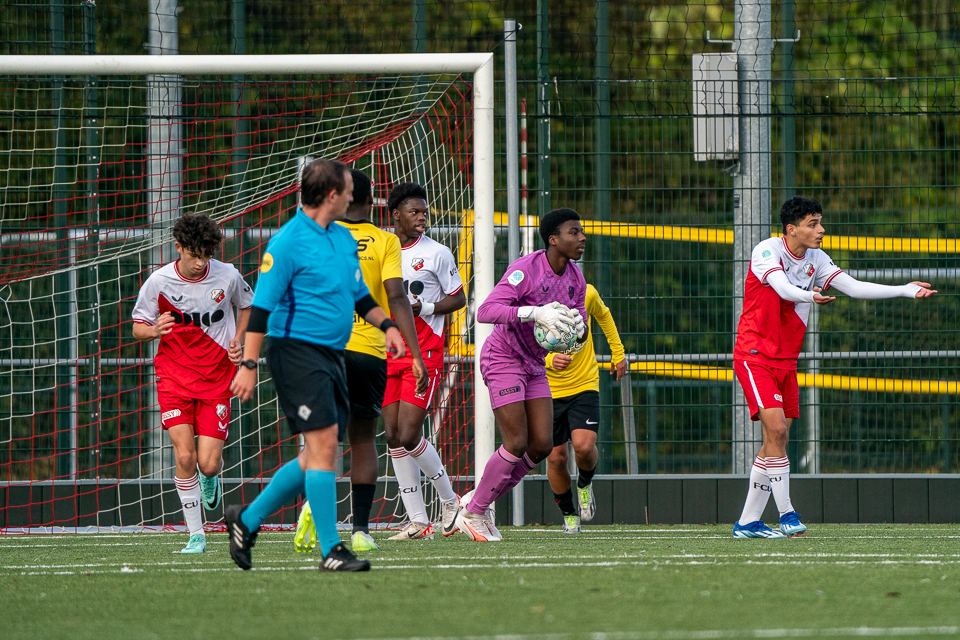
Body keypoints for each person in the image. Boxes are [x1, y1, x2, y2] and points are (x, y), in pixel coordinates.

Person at [227, 158, 405, 572]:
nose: (354, 196)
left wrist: (389, 327)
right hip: (296, 354)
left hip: (333, 355)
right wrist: (248, 364)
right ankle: (332, 550)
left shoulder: (342, 239)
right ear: (331, 195)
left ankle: (247, 520)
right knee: (325, 447)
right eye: (347, 190)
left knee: (315, 456)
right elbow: (261, 309)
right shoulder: (288, 242)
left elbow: (360, 295)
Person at [732, 196, 937, 539]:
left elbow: (854, 287)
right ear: (791, 229)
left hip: (786, 358)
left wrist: (904, 289)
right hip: (755, 354)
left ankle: (748, 523)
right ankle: (787, 515)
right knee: (778, 433)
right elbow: (781, 287)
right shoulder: (767, 250)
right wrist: (809, 296)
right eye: (813, 224)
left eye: (820, 222)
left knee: (775, 440)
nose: (821, 230)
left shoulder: (817, 259)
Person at [293, 169, 428, 554]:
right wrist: (413, 353)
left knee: (322, 438)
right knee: (364, 438)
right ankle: (361, 530)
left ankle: (315, 512)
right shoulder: (385, 241)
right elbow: (398, 299)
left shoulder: (320, 236)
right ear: (374, 203)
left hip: (324, 349)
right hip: (370, 351)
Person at [455, 208, 588, 542]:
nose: (582, 237)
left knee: (541, 445)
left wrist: (575, 335)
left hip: (534, 364)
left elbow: (580, 323)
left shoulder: (576, 278)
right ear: (553, 239)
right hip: (504, 357)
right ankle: (474, 512)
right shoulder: (526, 270)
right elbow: (486, 311)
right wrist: (534, 312)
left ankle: (478, 500)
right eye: (574, 232)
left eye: (581, 231)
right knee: (515, 442)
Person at [131, 212, 252, 554]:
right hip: (173, 377)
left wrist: (239, 340)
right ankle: (196, 534)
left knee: (207, 464)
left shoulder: (227, 275)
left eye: (207, 255)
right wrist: (154, 330)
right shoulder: (159, 281)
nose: (201, 263)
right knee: (185, 456)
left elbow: (248, 306)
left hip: (217, 377)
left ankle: (210, 477)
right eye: (194, 254)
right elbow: (138, 325)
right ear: (179, 247)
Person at [382, 182, 467, 540]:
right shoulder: (382, 249)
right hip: (386, 351)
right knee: (391, 435)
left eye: (425, 212)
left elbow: (459, 298)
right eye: (415, 212)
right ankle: (418, 520)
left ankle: (450, 499)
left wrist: (426, 307)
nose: (422, 217)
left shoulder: (438, 253)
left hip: (426, 352)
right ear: (396, 215)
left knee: (409, 431)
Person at [545, 283, 628, 534]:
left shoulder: (586, 292)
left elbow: (604, 315)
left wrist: (618, 352)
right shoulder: (535, 300)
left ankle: (584, 484)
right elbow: (522, 342)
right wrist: (548, 358)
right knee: (556, 457)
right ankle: (569, 515)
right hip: (546, 388)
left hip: (584, 383)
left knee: (583, 447)